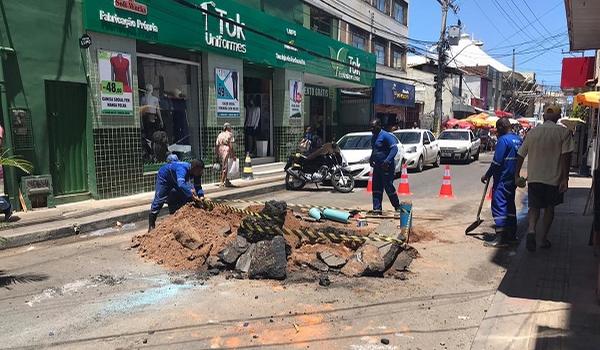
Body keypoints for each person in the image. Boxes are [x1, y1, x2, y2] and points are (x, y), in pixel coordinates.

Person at [515, 104, 575, 251]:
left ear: (543, 117)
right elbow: (566, 157)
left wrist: (516, 174)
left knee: (534, 207)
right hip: (553, 179)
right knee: (549, 208)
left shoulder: (533, 133)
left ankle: (531, 230)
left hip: (535, 177)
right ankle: (542, 240)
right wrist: (565, 178)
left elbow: (520, 154)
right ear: (558, 117)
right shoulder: (564, 133)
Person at [481, 118, 523, 247]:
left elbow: (497, 162)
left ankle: (500, 237)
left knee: (499, 205)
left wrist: (487, 175)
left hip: (502, 178)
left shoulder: (503, 140)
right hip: (512, 178)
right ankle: (511, 235)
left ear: (500, 128)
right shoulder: (518, 139)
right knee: (510, 205)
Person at [148, 159, 204, 232]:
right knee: (159, 199)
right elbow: (181, 184)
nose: (201, 172)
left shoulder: (196, 173)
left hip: (175, 179)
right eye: (200, 171)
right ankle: (151, 225)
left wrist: (201, 196)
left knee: (185, 194)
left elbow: (198, 186)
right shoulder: (182, 169)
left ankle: (177, 216)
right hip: (165, 178)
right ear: (194, 168)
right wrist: (191, 195)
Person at [369, 119, 401, 214]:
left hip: (386, 167)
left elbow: (394, 149)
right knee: (376, 188)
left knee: (388, 187)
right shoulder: (374, 137)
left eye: (373, 127)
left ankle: (397, 206)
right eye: (370, 127)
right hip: (377, 167)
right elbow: (374, 150)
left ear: (379, 126)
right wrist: (371, 159)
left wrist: (387, 161)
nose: (371, 129)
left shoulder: (386, 136)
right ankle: (377, 209)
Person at [215, 123, 236, 187]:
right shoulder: (230, 134)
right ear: (228, 128)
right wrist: (233, 154)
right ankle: (222, 181)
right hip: (227, 149)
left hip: (220, 149)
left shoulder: (220, 134)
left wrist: (216, 153)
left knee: (226, 165)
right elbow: (231, 145)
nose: (231, 128)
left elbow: (217, 144)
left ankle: (227, 181)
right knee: (226, 166)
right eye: (230, 127)